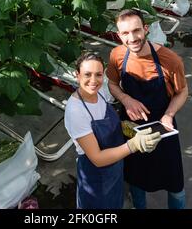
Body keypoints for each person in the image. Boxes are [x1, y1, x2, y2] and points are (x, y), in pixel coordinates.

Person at [107, 9, 188, 209]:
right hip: (132, 129)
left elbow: (183, 91)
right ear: (119, 35)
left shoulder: (170, 60)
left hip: (164, 128)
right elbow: (112, 84)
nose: (132, 38)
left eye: (136, 31)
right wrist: (126, 99)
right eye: (125, 33)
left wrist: (169, 115)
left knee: (174, 181)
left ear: (145, 29)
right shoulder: (117, 55)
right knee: (136, 178)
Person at [64, 52, 162, 209]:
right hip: (96, 176)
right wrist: (133, 145)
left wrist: (128, 128)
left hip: (115, 167)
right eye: (87, 74)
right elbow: (97, 158)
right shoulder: (76, 111)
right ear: (77, 75)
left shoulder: (100, 93)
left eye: (98, 75)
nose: (93, 81)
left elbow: (107, 121)